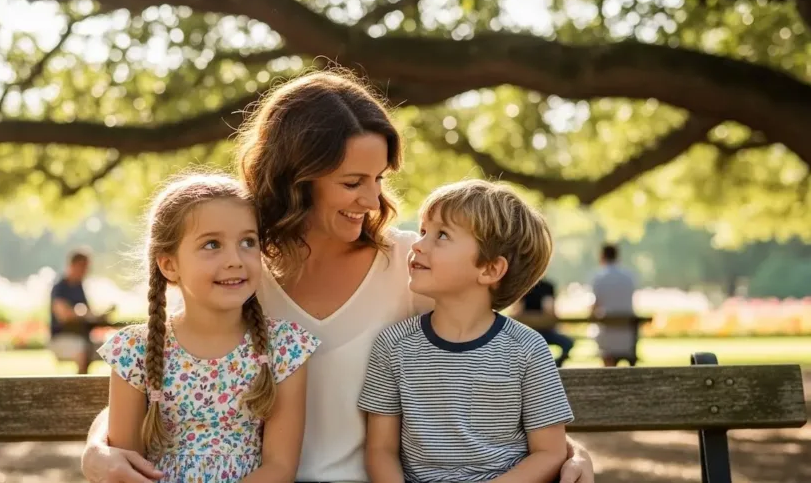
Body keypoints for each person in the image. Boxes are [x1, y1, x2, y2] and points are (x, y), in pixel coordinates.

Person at [79, 70, 596, 483]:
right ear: (296, 177)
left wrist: (570, 454)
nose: (372, 201)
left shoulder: (412, 268)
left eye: (378, 180)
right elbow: (167, 375)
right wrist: (97, 449)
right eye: (352, 181)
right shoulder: (237, 270)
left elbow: (491, 376)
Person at [96, 173, 320, 482]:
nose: (235, 259)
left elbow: (279, 468)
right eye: (212, 244)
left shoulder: (284, 346)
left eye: (248, 242)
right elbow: (125, 468)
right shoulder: (135, 351)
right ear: (169, 264)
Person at [360, 180, 574, 483]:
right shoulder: (393, 345)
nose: (418, 245)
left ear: (489, 270)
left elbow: (550, 452)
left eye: (442, 235)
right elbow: (380, 450)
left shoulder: (528, 350)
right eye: (423, 231)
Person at [49, 248, 113, 374]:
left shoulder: (79, 287)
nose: (86, 271)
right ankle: (80, 389)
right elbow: (64, 315)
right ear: (73, 265)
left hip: (83, 337)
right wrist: (82, 314)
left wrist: (99, 316)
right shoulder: (60, 287)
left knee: (114, 349)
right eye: (83, 266)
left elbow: (87, 313)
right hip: (62, 337)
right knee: (82, 351)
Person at [590, 244, 638, 367]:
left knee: (600, 339)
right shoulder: (629, 276)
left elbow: (596, 306)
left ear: (602, 256)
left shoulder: (599, 277)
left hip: (608, 335)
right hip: (628, 335)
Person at [519, 278, 575, 367]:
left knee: (567, 343)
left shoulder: (527, 286)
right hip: (534, 330)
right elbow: (550, 310)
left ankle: (554, 366)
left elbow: (518, 311)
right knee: (567, 343)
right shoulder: (525, 287)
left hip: (542, 330)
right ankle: (553, 366)